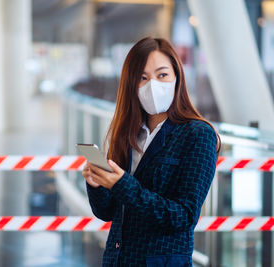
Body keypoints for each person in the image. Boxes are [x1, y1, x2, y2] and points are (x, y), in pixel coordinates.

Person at [82, 37, 221, 267]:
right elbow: (108, 212)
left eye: (162, 75)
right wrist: (97, 184)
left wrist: (122, 184)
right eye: (142, 78)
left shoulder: (198, 135)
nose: (152, 85)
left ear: (177, 78)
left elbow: (183, 216)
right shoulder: (127, 132)